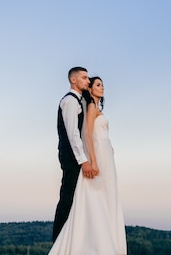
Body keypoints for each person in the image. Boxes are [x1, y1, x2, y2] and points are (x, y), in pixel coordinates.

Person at [49, 75, 127, 255]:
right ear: (90, 89)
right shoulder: (89, 107)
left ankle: (109, 237)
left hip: (106, 154)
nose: (103, 87)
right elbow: (86, 134)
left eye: (103, 84)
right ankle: (90, 241)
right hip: (95, 154)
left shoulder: (91, 107)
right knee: (90, 196)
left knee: (108, 195)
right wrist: (91, 160)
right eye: (97, 84)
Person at [52, 66, 96, 242]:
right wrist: (83, 161)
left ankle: (70, 239)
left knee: (73, 197)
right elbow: (72, 133)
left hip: (73, 156)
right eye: (85, 78)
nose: (88, 81)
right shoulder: (70, 101)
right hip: (71, 157)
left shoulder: (79, 101)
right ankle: (59, 242)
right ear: (73, 80)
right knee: (67, 198)